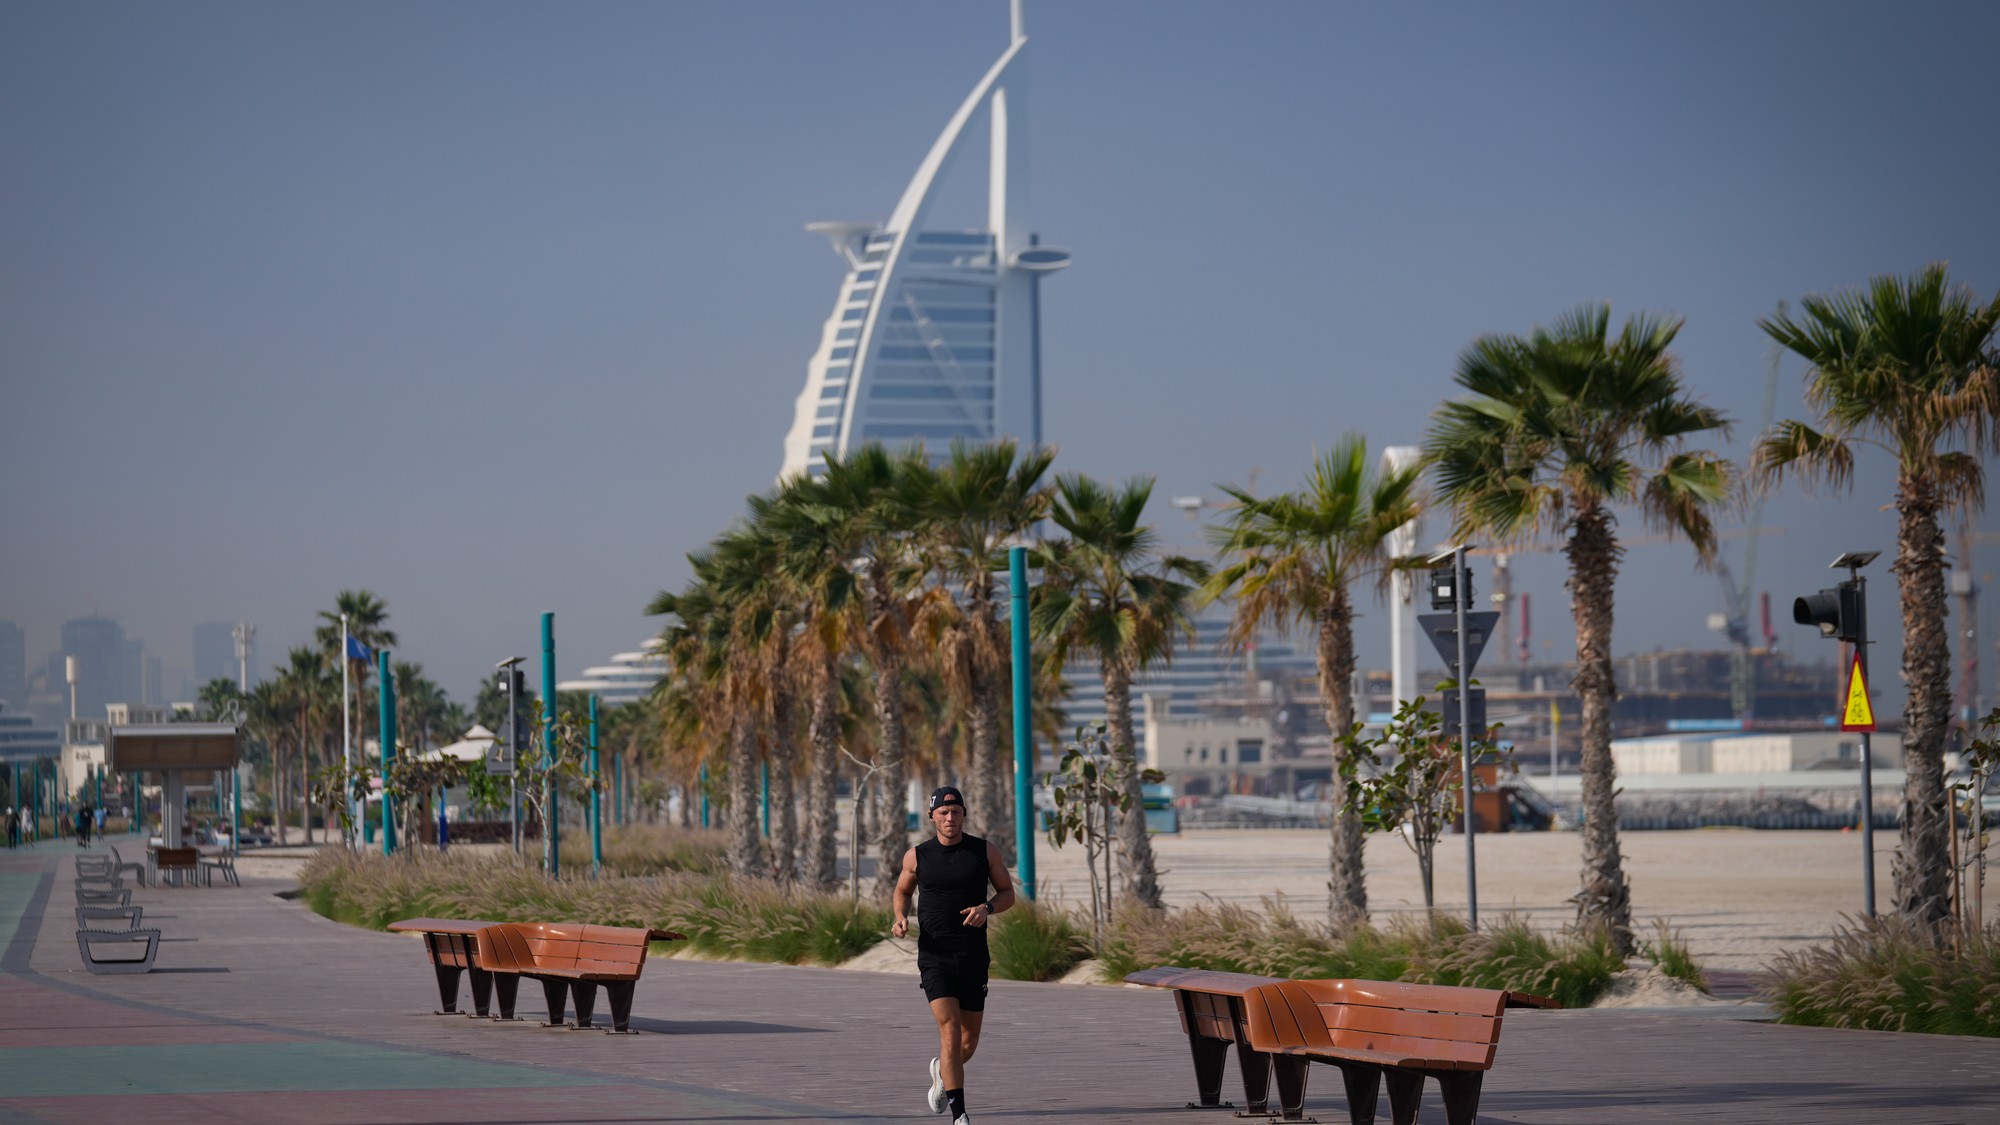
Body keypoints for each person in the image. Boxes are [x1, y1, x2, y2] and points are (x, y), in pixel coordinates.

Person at [891, 786, 1016, 1125]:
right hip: (935, 956)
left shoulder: (984, 851)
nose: (950, 818)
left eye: (956, 812)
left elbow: (1007, 893)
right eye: (944, 813)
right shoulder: (917, 856)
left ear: (963, 815)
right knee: (950, 1029)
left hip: (973, 955)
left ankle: (941, 1071)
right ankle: (960, 1115)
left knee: (967, 1044)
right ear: (932, 816)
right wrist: (900, 916)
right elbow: (902, 890)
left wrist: (987, 908)